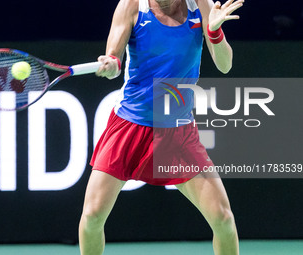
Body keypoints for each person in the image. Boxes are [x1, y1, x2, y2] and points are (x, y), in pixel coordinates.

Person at [79, 0, 244, 254]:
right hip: (130, 125)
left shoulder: (199, 5)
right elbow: (114, 60)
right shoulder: (132, 6)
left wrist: (214, 31)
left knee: (223, 219)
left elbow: (225, 64)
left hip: (178, 132)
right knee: (92, 216)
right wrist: (111, 64)